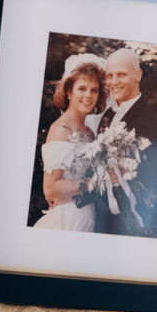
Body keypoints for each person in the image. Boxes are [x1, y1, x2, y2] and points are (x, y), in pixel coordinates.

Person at [94, 48, 157, 236]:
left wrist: (124, 172)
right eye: (109, 75)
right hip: (100, 215)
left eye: (121, 75)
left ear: (138, 75)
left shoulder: (152, 122)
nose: (113, 82)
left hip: (129, 222)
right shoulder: (108, 115)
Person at [34, 54, 107, 231]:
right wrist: (92, 184)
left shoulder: (89, 132)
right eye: (82, 88)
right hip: (67, 218)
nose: (88, 95)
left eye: (94, 90)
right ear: (69, 92)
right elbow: (50, 188)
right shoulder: (61, 130)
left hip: (87, 215)